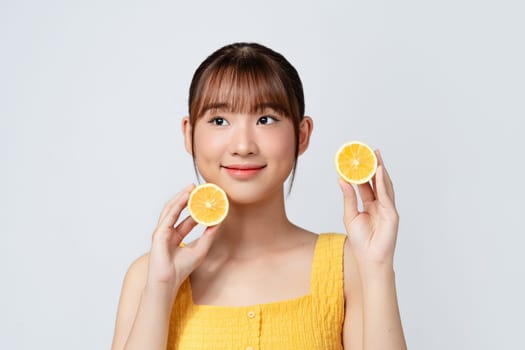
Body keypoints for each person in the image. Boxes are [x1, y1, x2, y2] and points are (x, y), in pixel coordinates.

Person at [111, 42, 407, 350]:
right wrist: (160, 288)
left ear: (302, 135)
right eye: (219, 120)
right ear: (189, 134)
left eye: (265, 119)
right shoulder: (147, 275)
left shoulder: (348, 267)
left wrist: (378, 267)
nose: (243, 146)